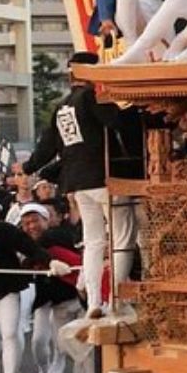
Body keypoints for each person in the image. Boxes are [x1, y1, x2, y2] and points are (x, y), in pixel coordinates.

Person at [23, 52, 123, 318]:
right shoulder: (91, 97)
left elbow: (47, 146)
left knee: (93, 242)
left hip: (76, 184)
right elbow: (116, 121)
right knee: (122, 238)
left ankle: (94, 301)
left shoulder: (61, 107)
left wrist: (28, 167)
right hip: (103, 178)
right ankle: (115, 299)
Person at [0, 197, 68, 373]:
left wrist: (51, 261)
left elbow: (30, 247)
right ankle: (6, 365)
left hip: (6, 291)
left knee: (10, 334)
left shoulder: (2, 230)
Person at [16, 203, 82, 373]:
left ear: (47, 220)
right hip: (42, 298)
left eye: (35, 221)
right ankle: (42, 372)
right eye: (26, 223)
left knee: (67, 338)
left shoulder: (57, 235)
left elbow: (38, 250)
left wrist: (27, 254)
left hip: (67, 294)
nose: (31, 226)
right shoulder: (22, 241)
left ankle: (64, 363)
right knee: (38, 340)